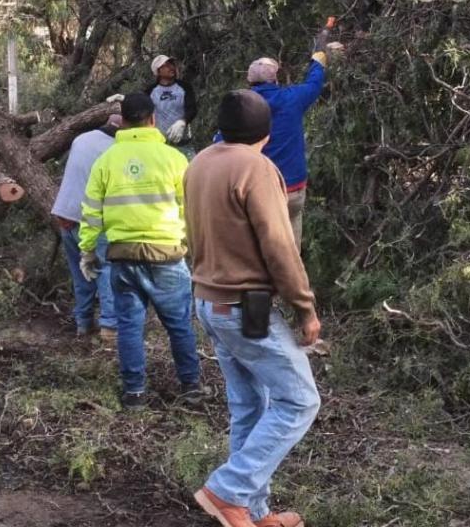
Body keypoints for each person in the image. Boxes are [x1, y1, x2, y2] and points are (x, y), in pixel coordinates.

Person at [185, 90, 322, 527]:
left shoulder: (201, 162)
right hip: (246, 307)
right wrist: (305, 308)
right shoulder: (257, 168)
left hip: (209, 302)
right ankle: (228, 490)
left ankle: (252, 512)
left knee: (250, 406)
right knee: (300, 400)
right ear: (266, 132)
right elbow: (280, 247)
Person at [79, 92, 201, 410]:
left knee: (130, 326)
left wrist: (88, 251)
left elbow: (91, 212)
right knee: (179, 325)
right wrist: (192, 247)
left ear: (121, 120)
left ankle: (135, 393)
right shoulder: (174, 159)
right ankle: (191, 387)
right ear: (152, 119)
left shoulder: (106, 161)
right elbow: (189, 208)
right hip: (168, 255)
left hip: (124, 255)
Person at [242, 41, 340, 246]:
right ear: (275, 78)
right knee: (290, 249)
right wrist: (318, 62)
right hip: (293, 190)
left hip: (262, 192)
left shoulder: (243, 108)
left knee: (262, 246)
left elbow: (222, 143)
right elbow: (313, 84)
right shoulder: (291, 99)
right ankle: (291, 273)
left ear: (250, 81)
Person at [51, 114, 123, 339]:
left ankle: (83, 323)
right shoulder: (116, 150)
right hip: (90, 219)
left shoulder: (81, 139)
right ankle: (109, 328)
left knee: (80, 272)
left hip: (65, 214)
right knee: (105, 269)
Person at [146, 55, 198, 146]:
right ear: (158, 71)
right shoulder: (151, 91)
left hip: (183, 141)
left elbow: (192, 109)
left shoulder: (185, 87)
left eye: (171, 64)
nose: (171, 67)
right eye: (165, 65)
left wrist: (183, 121)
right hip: (159, 142)